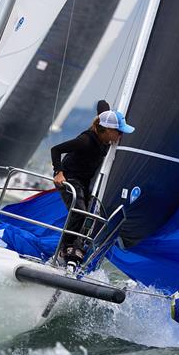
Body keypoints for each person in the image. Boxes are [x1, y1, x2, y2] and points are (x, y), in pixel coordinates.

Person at [50, 106, 135, 264]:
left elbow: (102, 105)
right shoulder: (86, 141)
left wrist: (108, 111)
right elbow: (56, 149)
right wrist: (58, 172)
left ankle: (75, 249)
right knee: (79, 212)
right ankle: (63, 251)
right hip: (69, 179)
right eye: (119, 131)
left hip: (84, 182)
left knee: (90, 215)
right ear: (108, 130)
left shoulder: (105, 138)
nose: (121, 135)